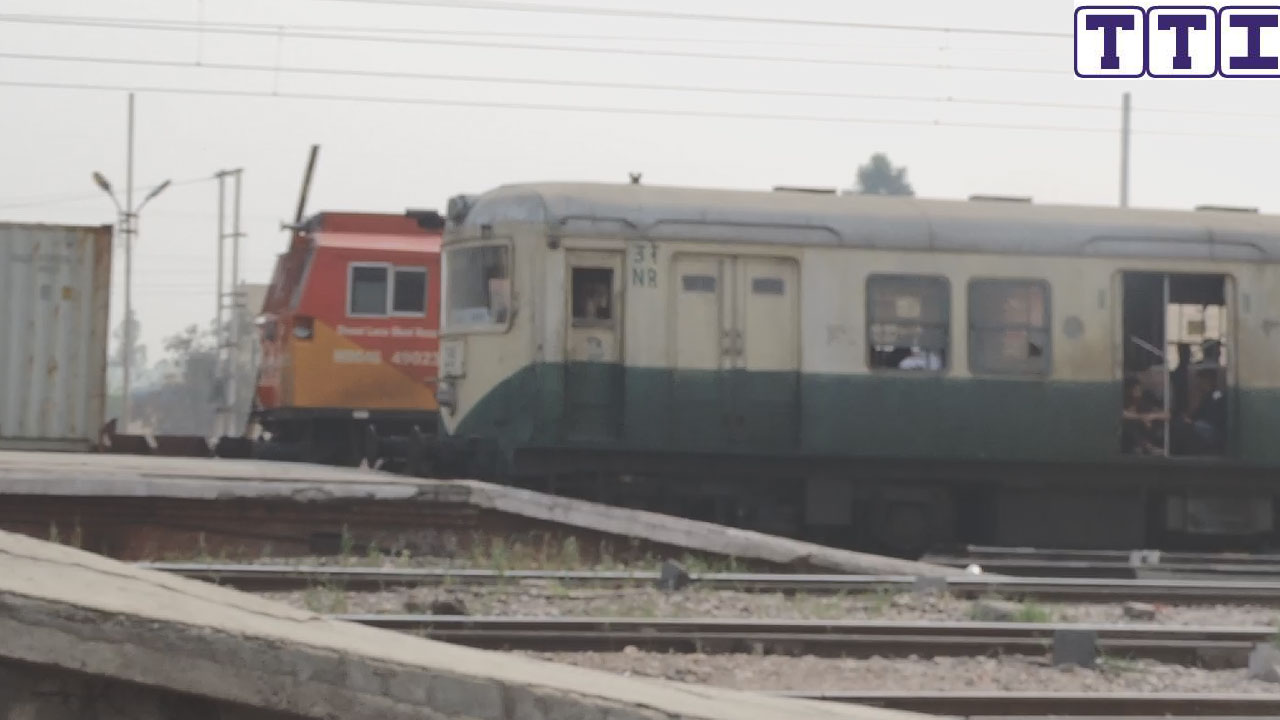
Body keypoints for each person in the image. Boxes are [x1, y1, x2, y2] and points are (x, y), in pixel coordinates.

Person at [1122, 376, 1166, 455]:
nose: (1139, 392)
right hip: (1128, 443)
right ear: (1128, 391)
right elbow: (1121, 414)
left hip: (1148, 438)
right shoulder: (1121, 403)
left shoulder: (1143, 404)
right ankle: (1146, 446)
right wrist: (1141, 417)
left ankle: (1149, 446)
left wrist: (1152, 416)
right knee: (1130, 423)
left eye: (1139, 390)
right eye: (1136, 390)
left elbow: (1167, 415)